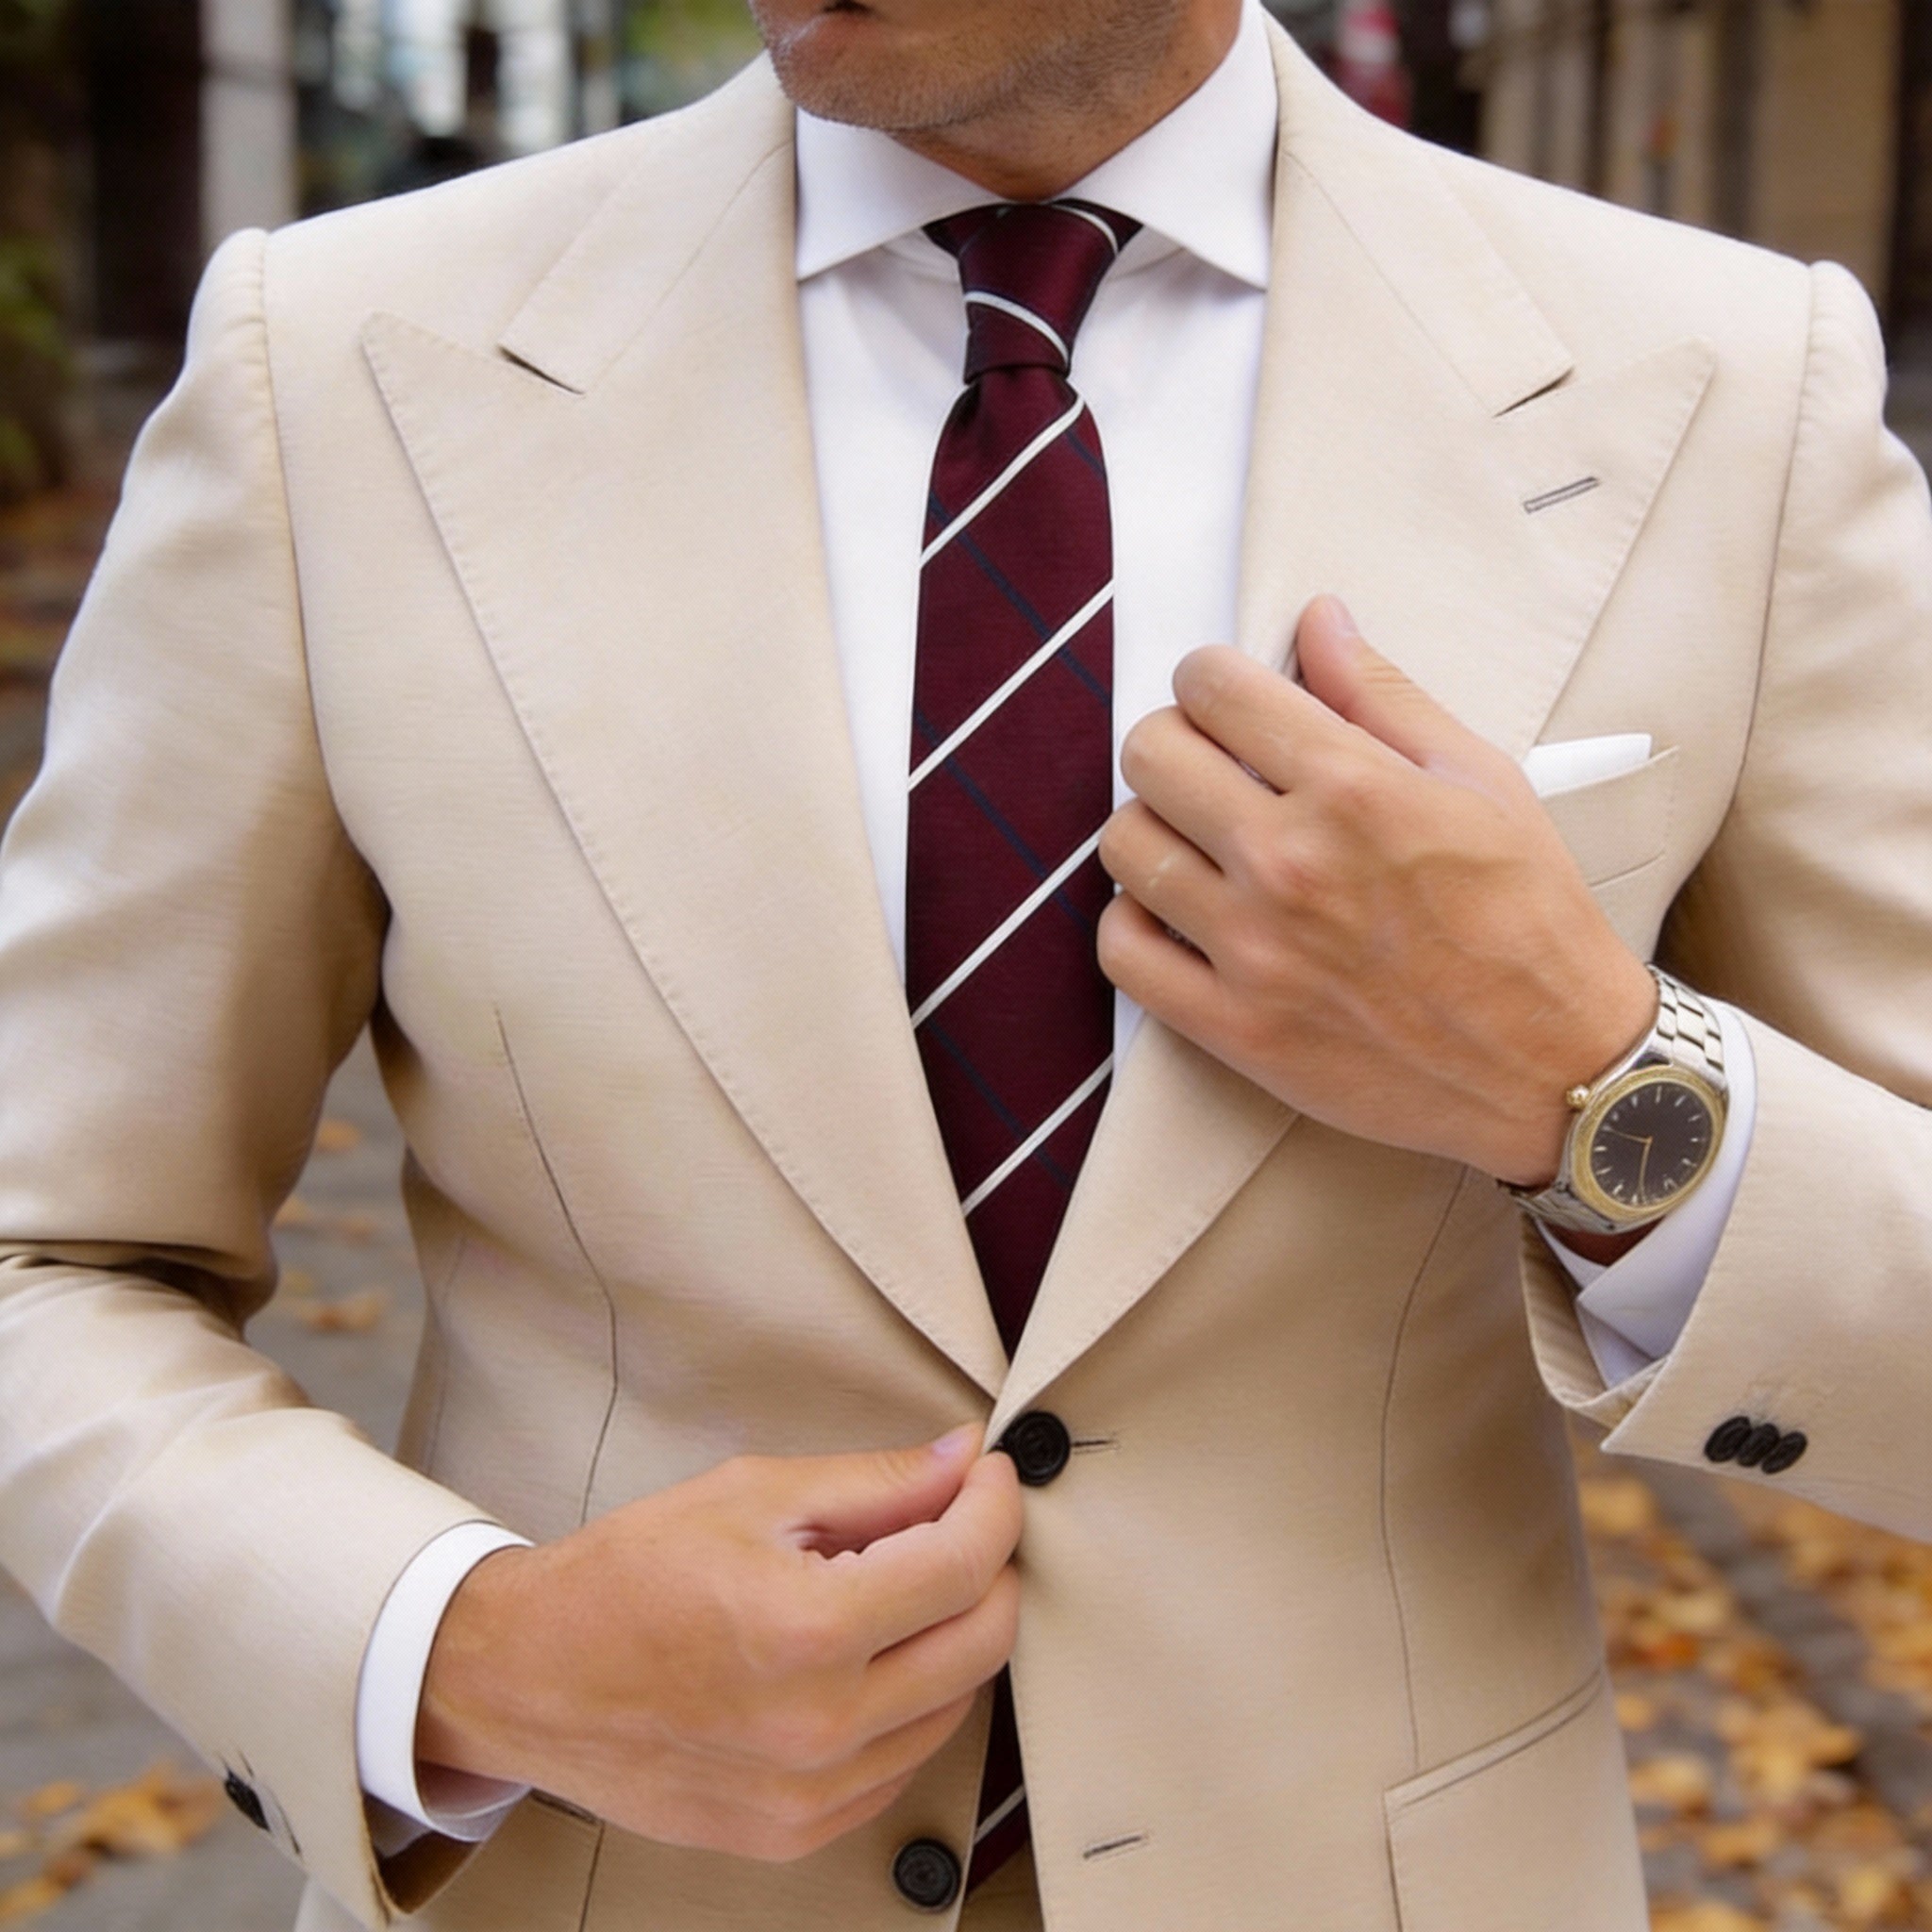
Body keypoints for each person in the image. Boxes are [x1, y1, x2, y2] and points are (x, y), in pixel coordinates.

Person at [0, 0, 1927, 1926]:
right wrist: (458, 1649)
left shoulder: (1725, 390)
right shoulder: (333, 366)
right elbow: (45, 1248)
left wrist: (1594, 1086)